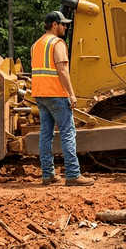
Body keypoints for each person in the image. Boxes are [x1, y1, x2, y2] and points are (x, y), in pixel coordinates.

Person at [30, 11, 95, 187]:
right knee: (67, 133)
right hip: (56, 94)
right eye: (63, 24)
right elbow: (62, 70)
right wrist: (71, 94)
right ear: (54, 25)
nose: (65, 27)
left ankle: (48, 174)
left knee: (45, 135)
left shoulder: (36, 45)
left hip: (39, 94)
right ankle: (73, 174)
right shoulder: (57, 43)